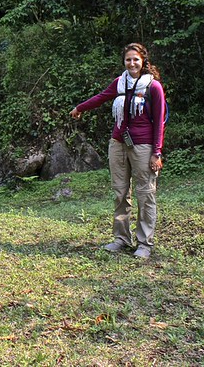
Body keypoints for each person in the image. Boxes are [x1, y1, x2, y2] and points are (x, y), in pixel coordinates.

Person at [69, 42, 166, 259]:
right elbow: (101, 97)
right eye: (128, 59)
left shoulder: (153, 87)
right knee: (120, 192)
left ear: (143, 61)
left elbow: (159, 121)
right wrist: (79, 108)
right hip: (118, 144)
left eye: (136, 59)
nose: (132, 63)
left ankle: (144, 243)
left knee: (145, 194)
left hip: (143, 146)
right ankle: (121, 239)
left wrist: (156, 152)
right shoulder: (119, 83)